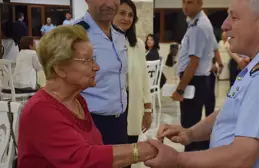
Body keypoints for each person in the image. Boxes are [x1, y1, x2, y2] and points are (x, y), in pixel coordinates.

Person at [144, 0, 259, 168]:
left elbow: (242, 157)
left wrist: (177, 159)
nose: (224, 25)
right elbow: (233, 111)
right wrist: (190, 133)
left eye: (234, 17)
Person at [18, 26, 158, 168]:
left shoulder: (77, 100)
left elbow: (95, 147)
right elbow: (83, 159)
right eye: (87, 60)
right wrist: (140, 150)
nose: (96, 67)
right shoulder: (40, 111)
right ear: (60, 68)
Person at [75, 0, 129, 145]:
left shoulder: (119, 35)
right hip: (89, 121)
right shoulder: (75, 34)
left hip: (120, 119)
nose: (110, 4)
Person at [172, 0, 215, 152]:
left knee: (189, 128)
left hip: (194, 80)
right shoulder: (197, 23)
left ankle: (191, 159)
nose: (185, 6)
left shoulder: (199, 26)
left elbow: (194, 62)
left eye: (189, 2)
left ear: (200, 3)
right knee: (193, 124)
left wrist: (180, 89)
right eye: (183, 2)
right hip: (197, 79)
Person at [112, 0, 153, 145]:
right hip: (110, 105)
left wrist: (148, 109)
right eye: (122, 13)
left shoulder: (138, 45)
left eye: (130, 15)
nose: (126, 18)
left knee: (129, 149)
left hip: (132, 102)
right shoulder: (105, 42)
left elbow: (144, 78)